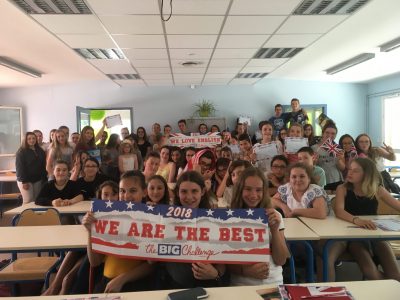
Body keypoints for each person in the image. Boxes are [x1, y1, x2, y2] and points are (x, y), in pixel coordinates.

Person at [82, 171, 155, 293]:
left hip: (135, 284)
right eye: (122, 191)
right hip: (107, 282)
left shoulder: (150, 217)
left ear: (144, 192)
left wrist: (123, 279)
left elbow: (152, 264)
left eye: (132, 191)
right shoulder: (108, 217)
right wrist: (90, 231)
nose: (126, 196)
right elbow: (95, 262)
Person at [43, 181, 119, 295]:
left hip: (99, 255)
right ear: (100, 196)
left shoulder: (123, 214)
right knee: (72, 256)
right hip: (87, 249)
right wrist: (88, 225)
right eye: (106, 195)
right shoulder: (96, 213)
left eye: (114, 194)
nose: (110, 198)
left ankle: (53, 290)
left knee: (68, 279)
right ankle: (52, 290)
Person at [332, 158, 400, 281]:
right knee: (370, 272)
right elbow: (339, 211)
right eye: (350, 169)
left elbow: (397, 206)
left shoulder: (377, 189)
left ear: (367, 174)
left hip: (375, 235)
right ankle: (391, 287)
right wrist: (356, 220)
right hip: (354, 237)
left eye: (355, 171)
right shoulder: (342, 188)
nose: (350, 173)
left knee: (395, 275)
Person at [164, 171, 229, 288]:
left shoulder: (214, 221)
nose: (189, 197)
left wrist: (215, 274)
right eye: (184, 191)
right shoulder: (167, 219)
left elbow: (222, 262)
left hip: (209, 287)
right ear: (178, 193)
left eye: (194, 191)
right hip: (175, 288)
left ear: (203, 192)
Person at [229, 167, 290, 285]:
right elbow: (224, 263)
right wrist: (246, 271)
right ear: (240, 190)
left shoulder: (274, 216)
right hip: (240, 285)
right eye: (248, 189)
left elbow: (281, 260)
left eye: (258, 190)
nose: (253, 195)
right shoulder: (229, 218)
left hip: (272, 282)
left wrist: (275, 230)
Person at [312, 121, 345, 191]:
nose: (330, 135)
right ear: (322, 133)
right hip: (320, 180)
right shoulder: (313, 148)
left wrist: (339, 160)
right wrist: (314, 161)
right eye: (327, 132)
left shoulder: (338, 148)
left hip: (336, 180)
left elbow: (342, 168)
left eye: (333, 133)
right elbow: (311, 167)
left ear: (336, 135)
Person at [15, 132, 47, 203]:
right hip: (25, 180)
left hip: (37, 179)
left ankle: (33, 214)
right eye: (29, 139)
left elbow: (43, 166)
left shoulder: (40, 151)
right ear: (25, 140)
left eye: (33, 138)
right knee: (28, 200)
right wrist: (24, 181)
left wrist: (44, 178)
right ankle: (23, 214)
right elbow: (20, 168)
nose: (32, 140)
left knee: (36, 200)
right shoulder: (21, 152)